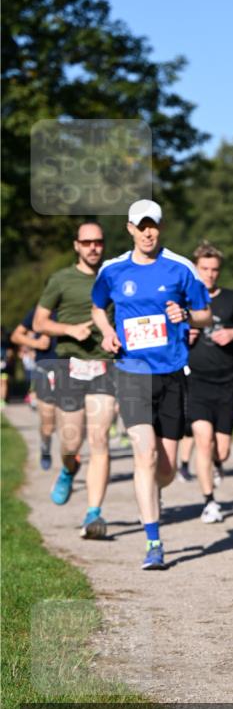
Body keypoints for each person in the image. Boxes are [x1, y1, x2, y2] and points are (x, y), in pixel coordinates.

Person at [91, 200, 211, 569]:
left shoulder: (180, 268)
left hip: (172, 373)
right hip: (131, 373)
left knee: (167, 468)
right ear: (129, 228)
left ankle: (154, 492)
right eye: (141, 226)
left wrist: (187, 314)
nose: (147, 232)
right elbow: (98, 306)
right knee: (145, 455)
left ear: (160, 227)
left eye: (153, 225)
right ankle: (153, 542)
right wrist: (109, 332)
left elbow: (206, 314)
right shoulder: (113, 270)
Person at [33, 221, 116, 537]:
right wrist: (69, 330)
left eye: (98, 242)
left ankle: (94, 514)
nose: (94, 247)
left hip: (104, 366)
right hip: (70, 365)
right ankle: (69, 469)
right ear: (76, 245)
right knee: (70, 442)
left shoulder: (113, 277)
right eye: (87, 242)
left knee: (100, 438)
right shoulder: (61, 279)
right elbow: (40, 322)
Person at [186, 241, 233, 523]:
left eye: (214, 269)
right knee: (202, 440)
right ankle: (209, 501)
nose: (210, 274)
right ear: (195, 269)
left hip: (227, 382)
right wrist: (183, 337)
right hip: (196, 381)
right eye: (204, 269)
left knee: (221, 450)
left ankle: (216, 465)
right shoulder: (184, 299)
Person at [11, 307, 58, 469]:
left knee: (71, 421)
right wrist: (36, 343)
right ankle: (45, 446)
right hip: (44, 370)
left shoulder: (75, 306)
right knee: (48, 423)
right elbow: (16, 336)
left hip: (71, 371)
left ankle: (71, 463)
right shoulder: (40, 311)